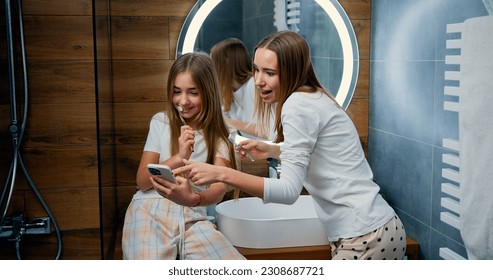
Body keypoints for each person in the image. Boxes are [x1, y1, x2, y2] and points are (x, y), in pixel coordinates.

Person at [171, 31, 407, 260]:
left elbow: (288, 191)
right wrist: (273, 150)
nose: (258, 80)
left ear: (291, 71)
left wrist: (222, 173)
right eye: (256, 69)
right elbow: (322, 152)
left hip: (365, 236)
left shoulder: (296, 105)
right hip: (375, 230)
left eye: (270, 73)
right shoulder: (312, 96)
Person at [121, 52, 245, 260]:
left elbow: (218, 189)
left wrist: (193, 199)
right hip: (149, 211)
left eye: (193, 92)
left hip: (193, 216)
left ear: (208, 92)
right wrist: (180, 156)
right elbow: (142, 182)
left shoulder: (222, 135)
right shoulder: (161, 122)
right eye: (177, 92)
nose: (183, 101)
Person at [210, 37, 273, 140]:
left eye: (213, 62)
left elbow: (270, 132)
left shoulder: (254, 86)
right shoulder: (229, 94)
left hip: (271, 153)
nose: (211, 69)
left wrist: (229, 122)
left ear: (226, 61)